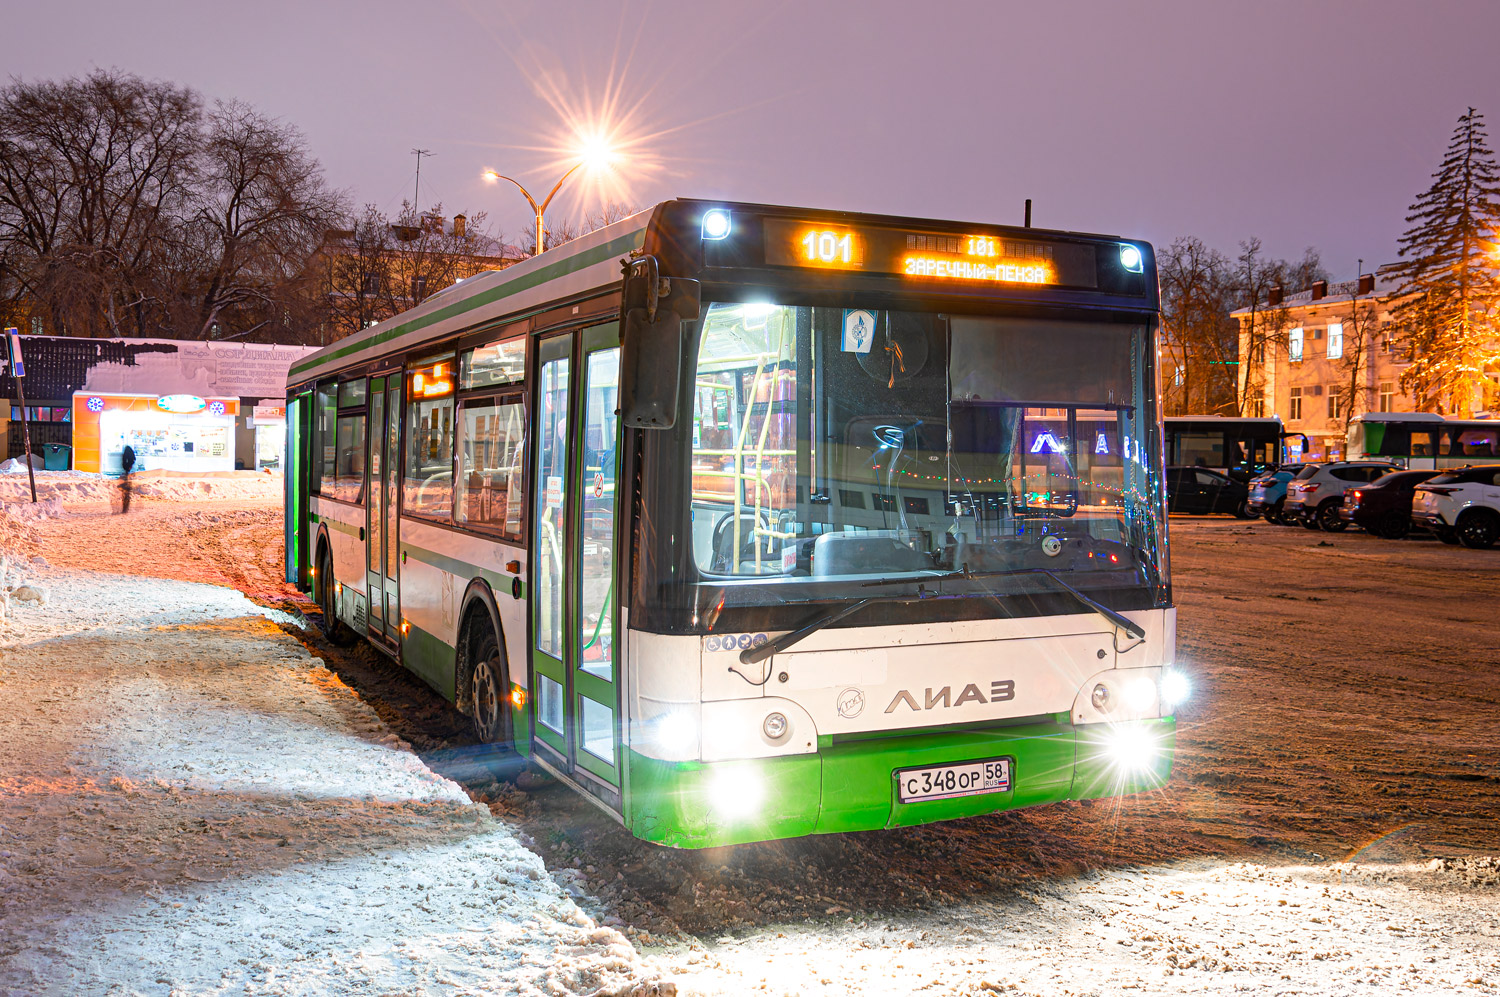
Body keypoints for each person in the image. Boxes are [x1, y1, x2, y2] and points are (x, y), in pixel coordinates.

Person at [118, 444, 136, 514]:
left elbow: (124, 461)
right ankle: (125, 508)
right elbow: (133, 460)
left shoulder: (125, 456)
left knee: (125, 493)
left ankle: (124, 508)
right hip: (127, 475)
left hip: (126, 474)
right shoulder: (131, 459)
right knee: (127, 493)